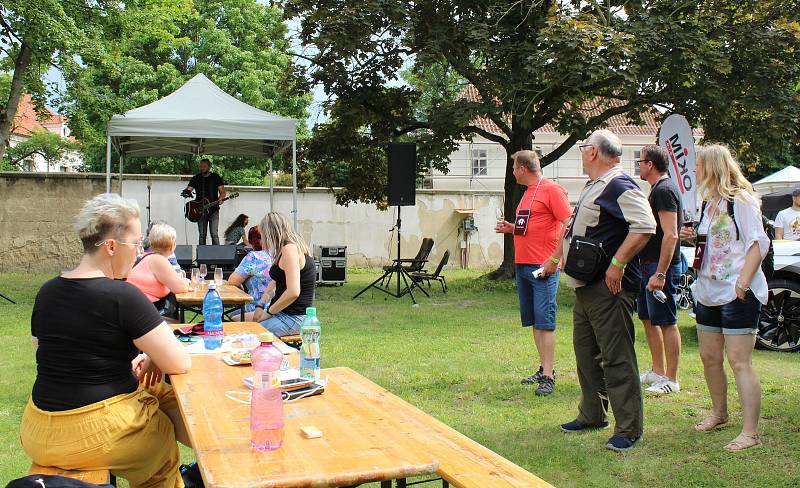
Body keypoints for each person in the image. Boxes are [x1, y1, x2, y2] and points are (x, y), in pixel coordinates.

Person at [19, 193, 192, 487]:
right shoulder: (123, 296)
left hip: (38, 429)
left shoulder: (47, 292)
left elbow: (48, 353)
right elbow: (179, 361)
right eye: (137, 244)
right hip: (96, 430)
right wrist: (151, 357)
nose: (139, 254)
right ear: (111, 246)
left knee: (158, 397)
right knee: (161, 443)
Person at [552, 129, 655, 452]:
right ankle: (593, 414)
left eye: (584, 148)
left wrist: (618, 264)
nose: (582, 153)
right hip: (587, 286)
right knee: (586, 354)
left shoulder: (619, 184)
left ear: (593, 152)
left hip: (609, 288)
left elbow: (646, 225)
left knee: (617, 357)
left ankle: (629, 428)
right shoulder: (595, 186)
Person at [679, 144, 768, 451]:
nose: (694, 171)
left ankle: (750, 432)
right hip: (707, 291)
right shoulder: (709, 202)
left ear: (713, 166)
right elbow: (717, 240)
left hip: (736, 293)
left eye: (699, 165)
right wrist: (692, 236)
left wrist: (742, 285)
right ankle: (719, 413)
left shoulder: (740, 200)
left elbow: (759, 243)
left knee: (739, 361)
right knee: (710, 357)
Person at [495, 150, 572, 396]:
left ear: (523, 169)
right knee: (535, 321)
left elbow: (568, 223)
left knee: (545, 321)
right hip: (524, 264)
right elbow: (531, 224)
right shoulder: (528, 193)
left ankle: (548, 376)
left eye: (514, 167)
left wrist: (554, 259)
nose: (512, 172)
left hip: (543, 266)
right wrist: (512, 228)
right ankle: (543, 368)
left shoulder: (552, 190)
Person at [636, 145, 683, 395]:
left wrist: (661, 273)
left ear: (650, 164)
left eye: (641, 161)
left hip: (659, 266)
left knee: (666, 321)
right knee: (648, 318)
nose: (639, 166)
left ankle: (671, 379)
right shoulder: (657, 190)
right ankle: (657, 370)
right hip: (647, 265)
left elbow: (671, 234)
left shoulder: (664, 190)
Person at [252, 212, 316, 337]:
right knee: (237, 318)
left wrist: (268, 313)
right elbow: (276, 281)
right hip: (282, 313)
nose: (261, 240)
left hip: (294, 318)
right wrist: (260, 305)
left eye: (262, 235)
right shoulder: (286, 249)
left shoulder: (289, 249)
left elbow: (293, 292)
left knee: (248, 335)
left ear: (269, 233)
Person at [127, 222, 190, 319]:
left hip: (137, 310)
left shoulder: (150, 258)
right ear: (172, 245)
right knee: (181, 328)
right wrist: (185, 281)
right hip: (142, 313)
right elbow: (181, 288)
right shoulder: (159, 260)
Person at [183, 158, 226, 245]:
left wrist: (221, 198)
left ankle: (217, 255)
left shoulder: (216, 177)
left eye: (204, 166)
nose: (202, 168)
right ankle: (202, 255)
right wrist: (186, 192)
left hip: (214, 209)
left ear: (209, 167)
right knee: (202, 234)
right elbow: (189, 189)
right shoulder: (196, 178)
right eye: (201, 166)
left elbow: (222, 192)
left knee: (214, 234)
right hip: (200, 210)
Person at [228, 245, 273, 322]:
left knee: (232, 316)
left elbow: (233, 281)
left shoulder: (254, 256)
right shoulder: (281, 254)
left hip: (258, 307)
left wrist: (241, 284)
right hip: (279, 307)